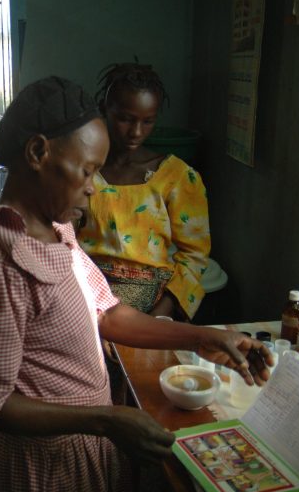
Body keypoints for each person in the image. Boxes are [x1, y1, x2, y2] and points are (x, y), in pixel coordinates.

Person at [0, 76, 272, 492]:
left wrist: (200, 337)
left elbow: (108, 314)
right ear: (38, 153)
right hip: (36, 471)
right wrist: (104, 420)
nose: (95, 187)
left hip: (80, 449)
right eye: (87, 170)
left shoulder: (56, 229)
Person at [78, 62, 210, 320]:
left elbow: (195, 255)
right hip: (89, 291)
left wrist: (163, 312)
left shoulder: (177, 177)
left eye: (147, 121)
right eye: (125, 119)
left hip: (153, 300)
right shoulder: (83, 169)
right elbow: (64, 240)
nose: (136, 132)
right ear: (105, 109)